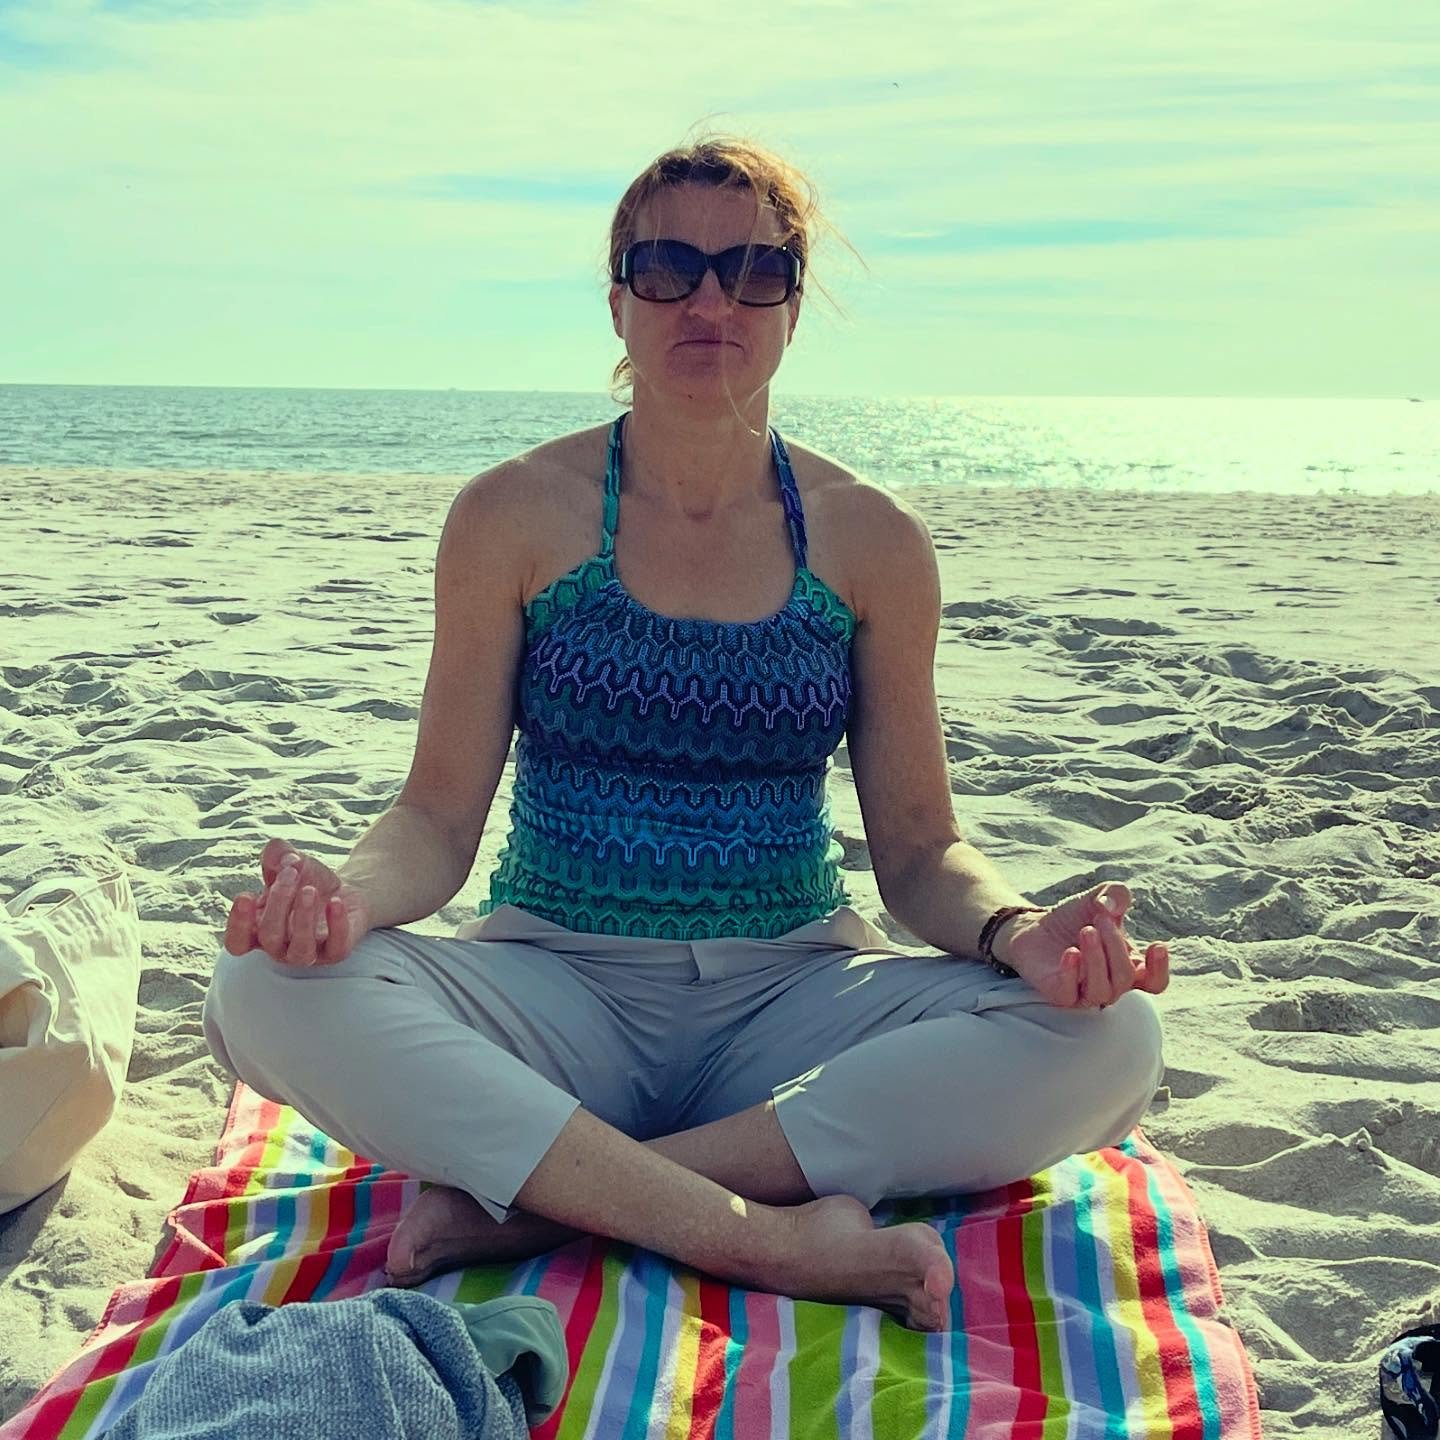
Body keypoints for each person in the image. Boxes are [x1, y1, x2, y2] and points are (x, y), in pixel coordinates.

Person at [203, 134, 1169, 1334]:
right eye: (666, 267)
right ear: (616, 296)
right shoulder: (515, 514)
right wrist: (341, 899)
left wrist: (1021, 931)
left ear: (793, 304)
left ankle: (548, 1204)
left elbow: (920, 850)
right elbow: (437, 819)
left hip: (791, 994)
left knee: (1111, 1035)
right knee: (261, 990)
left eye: (753, 270)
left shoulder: (870, 541)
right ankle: (750, 1233)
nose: (710, 299)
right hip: (554, 985)